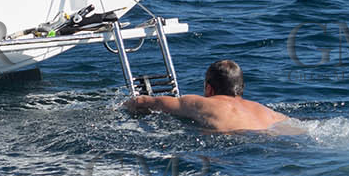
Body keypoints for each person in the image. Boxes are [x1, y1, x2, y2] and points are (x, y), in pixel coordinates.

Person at [123, 59, 288, 132]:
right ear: (241, 88)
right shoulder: (268, 112)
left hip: (227, 147)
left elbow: (145, 101)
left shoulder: (199, 103)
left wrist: (125, 107)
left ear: (209, 88)